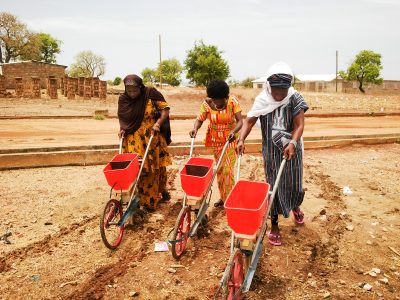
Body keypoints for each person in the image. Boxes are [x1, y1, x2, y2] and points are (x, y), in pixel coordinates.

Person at [236, 62, 308, 246]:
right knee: (273, 188)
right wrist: (241, 139)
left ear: (288, 88)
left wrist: (292, 142)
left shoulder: (294, 98)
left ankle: (295, 207)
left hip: (292, 149)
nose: (278, 95)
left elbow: (300, 124)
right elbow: (249, 121)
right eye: (275, 91)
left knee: (294, 183)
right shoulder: (262, 100)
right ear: (269, 87)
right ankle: (274, 226)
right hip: (271, 153)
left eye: (282, 91)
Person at [118, 74, 172, 211]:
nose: (132, 94)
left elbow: (165, 110)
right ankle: (135, 197)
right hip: (132, 139)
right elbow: (124, 118)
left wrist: (158, 123)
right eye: (129, 91)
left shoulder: (151, 94)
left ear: (140, 87)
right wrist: (122, 129)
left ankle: (150, 201)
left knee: (152, 168)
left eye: (135, 91)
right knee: (135, 169)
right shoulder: (123, 99)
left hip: (151, 136)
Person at [190, 80, 243, 207]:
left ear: (225, 97)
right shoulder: (207, 104)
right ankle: (224, 197)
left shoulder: (232, 102)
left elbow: (240, 121)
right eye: (214, 99)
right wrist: (195, 128)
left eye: (219, 100)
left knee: (227, 170)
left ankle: (231, 200)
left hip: (230, 140)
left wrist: (234, 131)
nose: (216, 102)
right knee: (219, 170)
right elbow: (200, 119)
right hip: (216, 141)